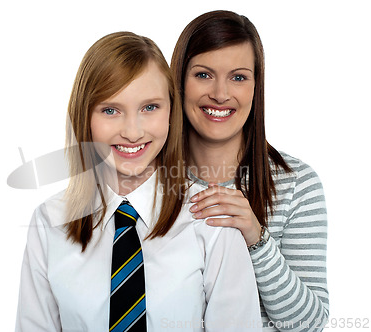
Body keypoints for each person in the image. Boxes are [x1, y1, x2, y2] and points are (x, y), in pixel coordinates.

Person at [16, 31, 262, 331]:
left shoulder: (211, 222)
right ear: (84, 117)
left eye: (149, 108)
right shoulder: (48, 223)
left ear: (172, 111)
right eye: (110, 110)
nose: (132, 132)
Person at [170, 10, 329, 332]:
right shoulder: (145, 180)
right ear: (179, 82)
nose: (220, 93)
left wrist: (256, 239)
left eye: (238, 77)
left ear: (257, 87)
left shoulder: (296, 183)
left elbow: (309, 325)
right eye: (203, 74)